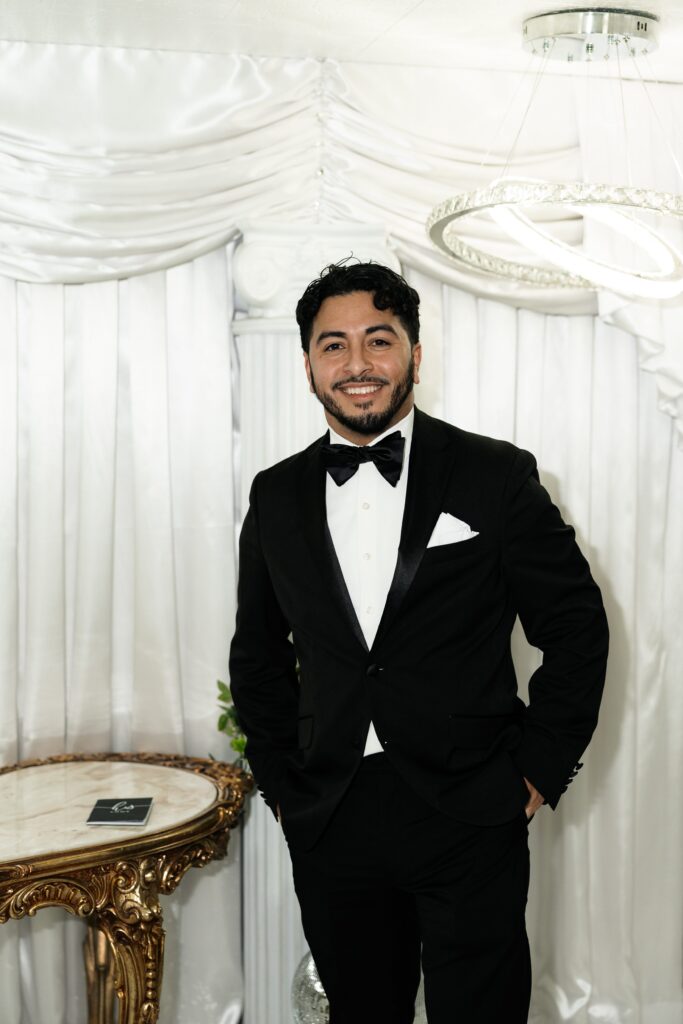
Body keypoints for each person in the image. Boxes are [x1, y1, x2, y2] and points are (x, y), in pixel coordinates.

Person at [229, 261, 609, 1024]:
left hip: (471, 805)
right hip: (331, 809)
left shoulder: (493, 474)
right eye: (333, 346)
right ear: (307, 365)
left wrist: (533, 772)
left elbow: (574, 626)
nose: (358, 364)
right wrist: (280, 781)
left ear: (413, 352)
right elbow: (258, 653)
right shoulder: (275, 493)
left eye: (379, 339)